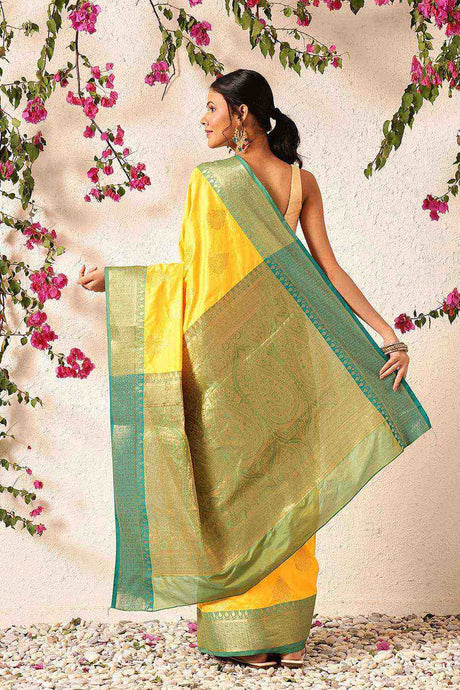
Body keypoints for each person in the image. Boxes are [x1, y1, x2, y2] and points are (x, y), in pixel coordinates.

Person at [77, 69, 431, 669]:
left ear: (242, 114)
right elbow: (330, 271)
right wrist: (387, 335)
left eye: (212, 108)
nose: (204, 120)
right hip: (288, 358)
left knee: (235, 493)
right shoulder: (299, 182)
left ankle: (248, 637)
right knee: (289, 485)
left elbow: (191, 279)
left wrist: (118, 283)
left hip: (226, 364)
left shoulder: (210, 182)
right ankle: (289, 638)